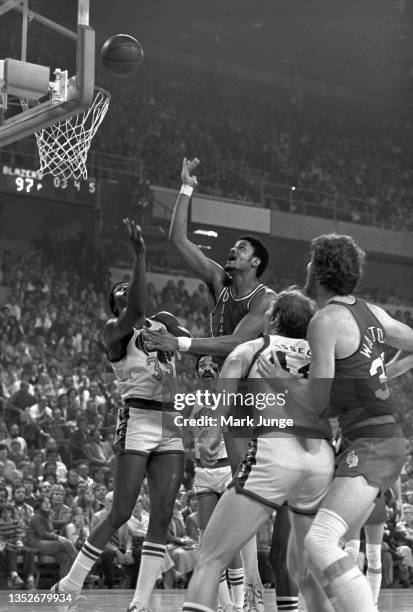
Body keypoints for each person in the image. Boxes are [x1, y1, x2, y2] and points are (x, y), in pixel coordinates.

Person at [144, 157, 281, 612]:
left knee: (252, 494)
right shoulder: (219, 283)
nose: (232, 252)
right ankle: (242, 597)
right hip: (227, 400)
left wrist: (182, 343)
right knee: (237, 496)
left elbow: (236, 342)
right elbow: (177, 239)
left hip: (258, 400)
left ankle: (262, 587)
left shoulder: (267, 300)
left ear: (255, 261)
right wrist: (185, 190)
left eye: (240, 249)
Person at [258, 234, 413, 611]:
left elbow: (316, 401)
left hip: (371, 442)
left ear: (321, 270)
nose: (307, 267)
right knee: (315, 556)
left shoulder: (325, 321)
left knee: (320, 541)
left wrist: (279, 379)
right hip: (380, 439)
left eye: (312, 262)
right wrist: (384, 374)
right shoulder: (370, 312)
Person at [53, 220, 191, 612]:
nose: (130, 294)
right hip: (137, 418)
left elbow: (189, 343)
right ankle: (72, 581)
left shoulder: (162, 321)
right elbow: (139, 309)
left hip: (169, 422)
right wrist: (141, 254)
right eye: (123, 294)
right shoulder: (114, 331)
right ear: (116, 305)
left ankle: (141, 601)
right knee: (122, 510)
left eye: (133, 289)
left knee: (163, 513)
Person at [182, 289, 334, 612]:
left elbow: (220, 414)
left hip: (278, 453)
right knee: (300, 566)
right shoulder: (322, 353)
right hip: (321, 460)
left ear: (275, 318)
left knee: (209, 557)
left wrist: (209, 439)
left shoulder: (250, 349)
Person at [190, 355, 244, 612]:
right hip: (203, 474)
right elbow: (185, 441)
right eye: (203, 366)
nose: (208, 369)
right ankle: (225, 606)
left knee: (230, 541)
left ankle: (240, 602)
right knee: (207, 542)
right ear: (197, 373)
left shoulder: (230, 398)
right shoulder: (189, 403)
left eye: (213, 365)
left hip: (227, 471)